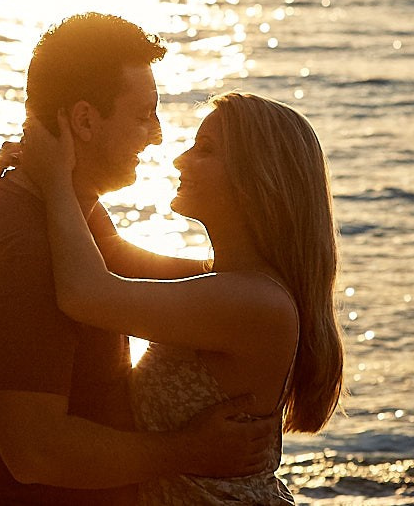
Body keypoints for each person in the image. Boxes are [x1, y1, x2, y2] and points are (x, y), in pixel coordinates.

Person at [0, 14, 275, 506]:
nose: (157, 136)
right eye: (143, 115)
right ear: (85, 121)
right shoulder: (25, 248)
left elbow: (122, 263)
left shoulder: (66, 218)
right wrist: (188, 449)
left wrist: (258, 285)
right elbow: (37, 451)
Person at [18, 91, 344, 506]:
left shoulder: (252, 303)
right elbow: (114, 256)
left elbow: (84, 293)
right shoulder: (230, 284)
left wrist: (54, 181)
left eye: (205, 149)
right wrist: (66, 176)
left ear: (256, 180)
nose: (180, 159)